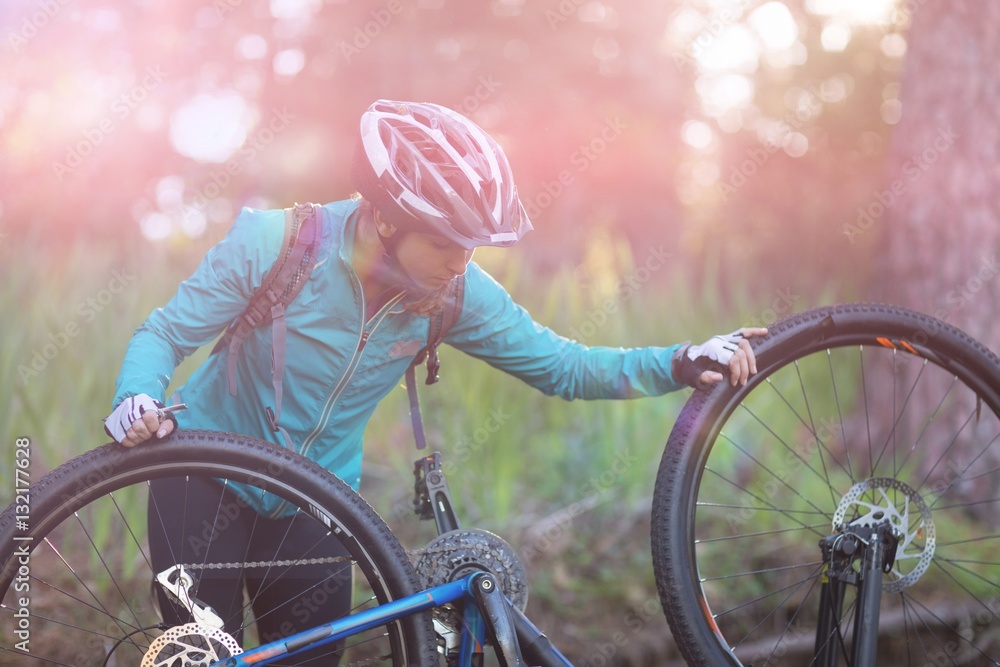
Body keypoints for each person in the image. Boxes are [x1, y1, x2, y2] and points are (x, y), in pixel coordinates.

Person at [104, 99, 765, 661]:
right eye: (447, 243)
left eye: (473, 247)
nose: (462, 263)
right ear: (386, 220)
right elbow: (162, 335)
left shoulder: (456, 292)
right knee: (205, 653)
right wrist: (136, 397)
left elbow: (564, 365)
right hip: (203, 479)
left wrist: (679, 359)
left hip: (316, 505)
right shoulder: (275, 244)